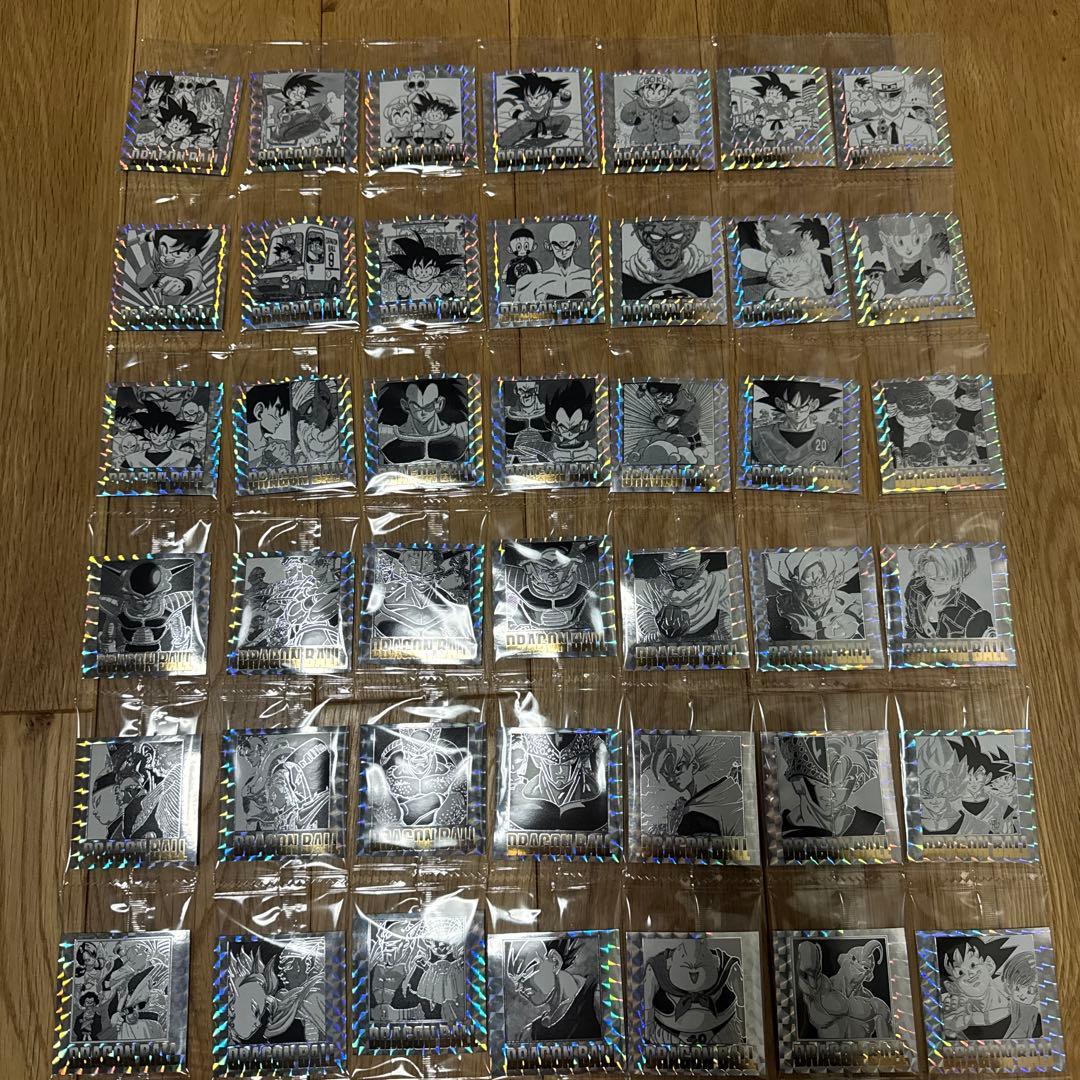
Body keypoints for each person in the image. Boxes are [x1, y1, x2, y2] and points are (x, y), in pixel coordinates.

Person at [779, 736, 884, 839]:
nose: (832, 794)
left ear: (856, 783)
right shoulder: (780, 828)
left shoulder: (875, 827)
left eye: (842, 784)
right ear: (798, 784)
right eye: (822, 784)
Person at [647, 938, 742, 1044]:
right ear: (669, 964)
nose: (693, 966)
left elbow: (743, 1001)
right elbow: (647, 1002)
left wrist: (743, 1027)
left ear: (716, 962)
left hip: (722, 1031)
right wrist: (648, 1024)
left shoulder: (728, 966)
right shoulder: (656, 968)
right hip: (668, 1034)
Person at [506, 936, 601, 1042]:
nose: (519, 988)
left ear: (555, 962)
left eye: (526, 974)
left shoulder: (597, 998)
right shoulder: (531, 1033)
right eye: (516, 982)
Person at [797, 940, 892, 1038]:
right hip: (825, 1046)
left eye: (866, 968)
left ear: (868, 975)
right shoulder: (823, 987)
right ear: (845, 960)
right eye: (854, 959)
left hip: (859, 1047)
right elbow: (808, 976)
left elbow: (885, 1039)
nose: (860, 969)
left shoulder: (870, 1000)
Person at [766, 549, 864, 642]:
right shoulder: (771, 608)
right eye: (806, 586)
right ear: (791, 584)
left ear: (837, 581)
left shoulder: (858, 607)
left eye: (822, 585)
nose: (814, 593)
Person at [903, 546, 994, 640]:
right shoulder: (915, 590)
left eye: (940, 579)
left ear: (958, 580)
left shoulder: (972, 615)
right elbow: (909, 629)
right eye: (928, 576)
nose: (930, 584)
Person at [751, 378, 843, 467]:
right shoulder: (758, 435)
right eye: (791, 407)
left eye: (803, 407)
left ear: (813, 405)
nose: (797, 412)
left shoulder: (835, 436)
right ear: (780, 404)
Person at [377, 378, 469, 466]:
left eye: (428, 406)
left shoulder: (462, 432)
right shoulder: (385, 436)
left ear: (439, 404)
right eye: (416, 406)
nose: (422, 412)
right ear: (405, 405)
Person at [621, 219, 712, 301]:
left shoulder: (707, 272)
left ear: (689, 236)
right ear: (643, 238)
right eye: (656, 237)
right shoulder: (626, 275)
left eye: (676, 236)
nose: (667, 249)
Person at [513, 222, 592, 302]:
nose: (563, 252)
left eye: (569, 246)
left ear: (576, 244)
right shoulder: (533, 282)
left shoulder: (589, 277)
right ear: (548, 246)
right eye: (557, 246)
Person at [132, 228, 213, 303]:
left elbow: (195, 276)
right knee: (140, 282)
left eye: (177, 253)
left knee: (170, 303)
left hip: (176, 279)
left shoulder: (193, 261)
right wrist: (143, 237)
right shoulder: (159, 236)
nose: (167, 257)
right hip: (154, 268)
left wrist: (184, 285)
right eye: (163, 249)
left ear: (190, 254)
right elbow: (151, 235)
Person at [497, 72, 574, 147]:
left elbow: (562, 105)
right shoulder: (526, 105)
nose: (533, 101)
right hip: (527, 125)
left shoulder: (548, 103)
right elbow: (512, 110)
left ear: (548, 96)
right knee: (503, 142)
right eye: (529, 97)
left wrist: (566, 96)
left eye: (537, 98)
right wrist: (519, 114)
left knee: (565, 119)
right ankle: (503, 139)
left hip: (545, 122)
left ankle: (557, 134)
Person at [386, 232, 462, 301]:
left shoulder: (439, 287)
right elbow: (402, 304)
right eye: (418, 271)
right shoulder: (410, 289)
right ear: (410, 272)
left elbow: (450, 301)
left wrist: (448, 293)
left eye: (428, 270)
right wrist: (403, 296)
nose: (423, 273)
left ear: (436, 271)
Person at [619, 71, 690, 145]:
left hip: (668, 138)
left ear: (668, 91)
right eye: (651, 92)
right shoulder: (638, 103)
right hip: (642, 138)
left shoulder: (671, 103)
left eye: (661, 91)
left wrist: (677, 119)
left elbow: (684, 110)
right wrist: (633, 120)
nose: (656, 95)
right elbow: (625, 113)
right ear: (642, 91)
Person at [504, 227, 542, 296]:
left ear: (533, 247)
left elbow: (538, 269)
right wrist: (504, 275)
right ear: (510, 249)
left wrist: (539, 275)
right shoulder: (512, 262)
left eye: (526, 246)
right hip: (513, 282)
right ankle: (514, 293)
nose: (522, 250)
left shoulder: (533, 261)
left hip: (530, 283)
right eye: (518, 247)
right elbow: (506, 271)